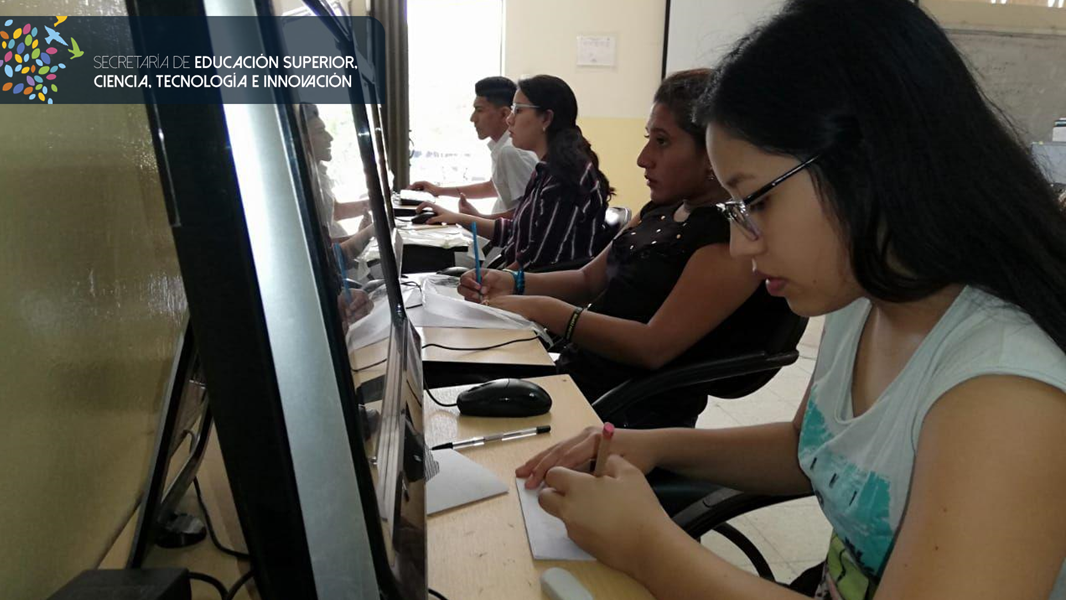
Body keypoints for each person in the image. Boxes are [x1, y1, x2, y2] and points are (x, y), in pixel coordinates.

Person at [515, 1, 1066, 598]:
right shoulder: (867, 297)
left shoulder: (1006, 392)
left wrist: (651, 547)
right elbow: (807, 448)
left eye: (756, 201)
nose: (740, 244)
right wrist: (647, 443)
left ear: (867, 166)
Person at [457, 69, 786, 428]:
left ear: (712, 153)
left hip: (624, 414)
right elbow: (587, 280)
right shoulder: (660, 210)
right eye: (648, 138)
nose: (643, 158)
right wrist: (513, 282)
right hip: (579, 377)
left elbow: (652, 347)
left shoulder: (726, 240)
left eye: (661, 141)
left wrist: (545, 309)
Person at [417, 75, 614, 271]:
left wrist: (490, 285)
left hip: (540, 293)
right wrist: (460, 218)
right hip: (525, 284)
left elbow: (536, 261)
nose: (510, 120)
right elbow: (518, 231)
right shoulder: (546, 169)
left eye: (518, 111)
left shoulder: (563, 178)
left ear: (546, 118)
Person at [407, 76, 538, 216]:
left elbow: (529, 213)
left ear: (504, 114)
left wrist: (477, 219)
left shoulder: (511, 151)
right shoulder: (502, 147)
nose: (472, 118)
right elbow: (493, 187)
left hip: (505, 235)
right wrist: (439, 190)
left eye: (479, 110)